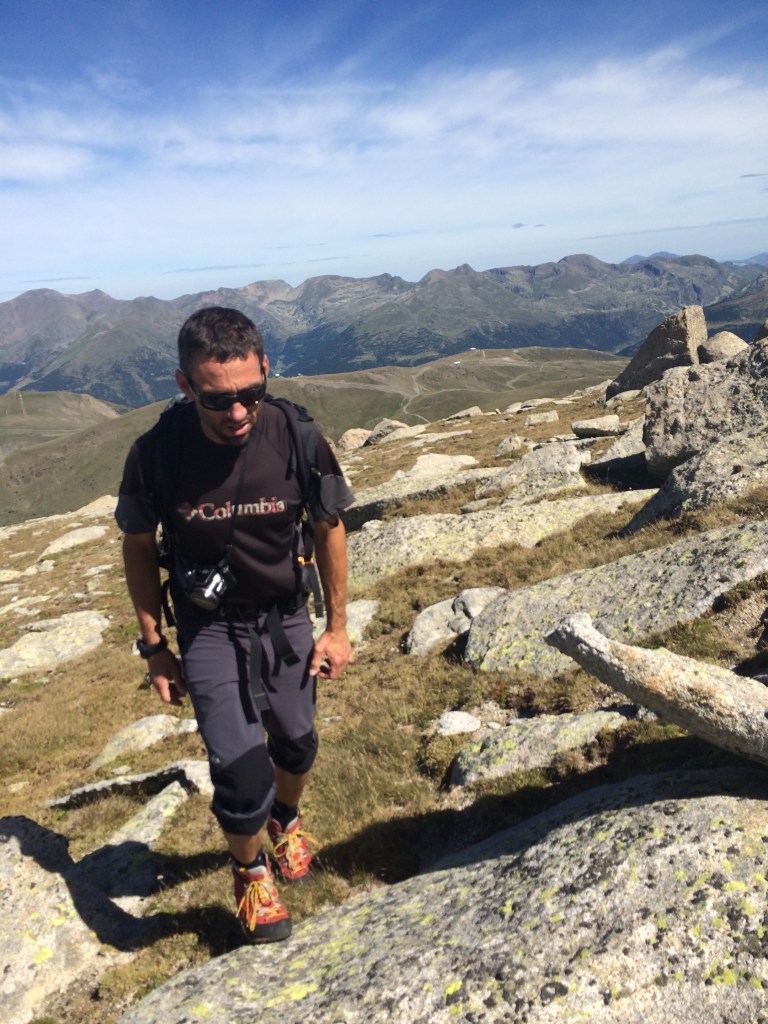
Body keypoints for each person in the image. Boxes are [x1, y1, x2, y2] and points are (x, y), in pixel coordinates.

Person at [115, 306, 355, 943]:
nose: (239, 411)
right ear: (184, 384)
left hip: (285, 618)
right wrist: (153, 646)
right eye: (219, 400)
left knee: (298, 745)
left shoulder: (297, 436)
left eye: (252, 392)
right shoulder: (156, 454)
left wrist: (337, 625)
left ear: (267, 370)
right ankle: (249, 870)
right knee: (240, 770)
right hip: (210, 629)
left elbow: (330, 527)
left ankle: (286, 819)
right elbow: (139, 547)